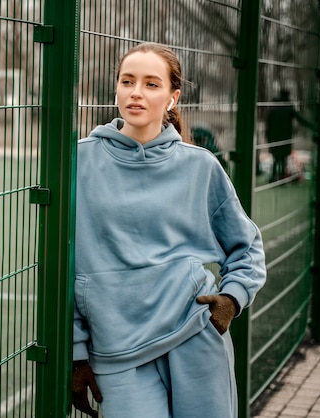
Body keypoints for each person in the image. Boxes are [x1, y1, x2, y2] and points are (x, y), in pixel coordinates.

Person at [72, 42, 267, 418]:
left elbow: (247, 247)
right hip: (117, 349)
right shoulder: (79, 160)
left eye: (151, 84)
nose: (136, 93)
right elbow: (62, 265)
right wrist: (77, 352)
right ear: (116, 89)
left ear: (172, 97)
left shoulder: (200, 166)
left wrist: (231, 299)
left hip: (194, 334)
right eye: (127, 81)